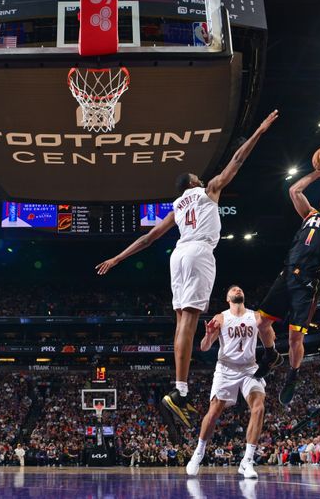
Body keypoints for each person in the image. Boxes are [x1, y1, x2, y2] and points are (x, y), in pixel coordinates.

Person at [96, 110, 280, 428]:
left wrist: (117, 258)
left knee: (182, 319)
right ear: (194, 182)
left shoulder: (177, 207)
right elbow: (236, 160)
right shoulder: (208, 191)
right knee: (190, 321)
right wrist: (259, 132)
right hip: (198, 252)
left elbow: (149, 237)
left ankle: (181, 387)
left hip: (177, 255)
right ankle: (180, 392)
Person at [255, 141, 320, 405]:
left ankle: (293, 375)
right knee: (261, 323)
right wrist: (316, 173)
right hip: (287, 273)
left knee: (294, 336)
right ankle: (271, 356)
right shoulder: (309, 214)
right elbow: (294, 190)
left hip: (309, 282)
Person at [185, 285, 266, 479]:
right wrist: (207, 335)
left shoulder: (256, 317)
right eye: (233, 290)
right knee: (213, 412)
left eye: (240, 289)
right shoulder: (220, 318)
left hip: (249, 368)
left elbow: (268, 339)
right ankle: (198, 453)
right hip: (226, 368)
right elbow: (204, 348)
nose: (238, 290)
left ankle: (247, 460)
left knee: (259, 408)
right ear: (227, 298)